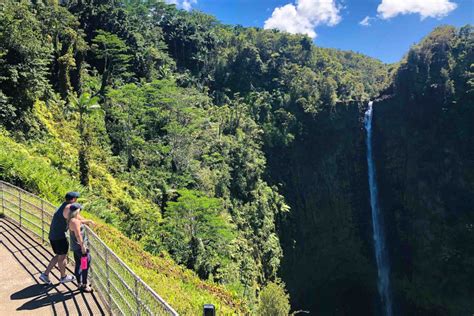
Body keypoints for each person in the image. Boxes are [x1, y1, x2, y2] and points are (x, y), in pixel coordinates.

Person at [39, 192, 93, 284]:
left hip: (54, 235)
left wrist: (87, 221)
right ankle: (63, 277)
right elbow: (76, 222)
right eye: (76, 198)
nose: (76, 200)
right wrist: (83, 245)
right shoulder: (68, 208)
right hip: (59, 237)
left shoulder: (65, 206)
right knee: (63, 257)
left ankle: (45, 274)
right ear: (72, 199)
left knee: (59, 256)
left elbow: (77, 217)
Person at [68, 203, 93, 292]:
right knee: (85, 265)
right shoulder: (75, 221)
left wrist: (88, 221)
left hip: (75, 247)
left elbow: (79, 222)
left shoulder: (72, 219)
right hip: (80, 248)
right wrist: (83, 247)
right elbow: (78, 235)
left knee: (79, 264)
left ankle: (79, 282)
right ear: (76, 211)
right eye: (79, 210)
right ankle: (84, 284)